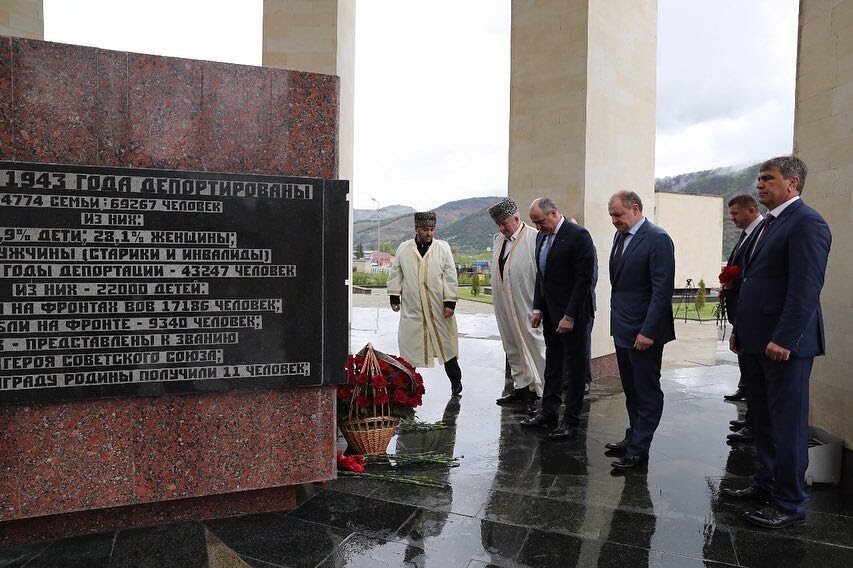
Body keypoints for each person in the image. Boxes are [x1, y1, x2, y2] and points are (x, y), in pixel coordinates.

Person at [725, 156, 831, 529]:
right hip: (756, 341)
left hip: (785, 345)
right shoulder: (767, 225)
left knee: (787, 425)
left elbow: (805, 288)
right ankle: (764, 484)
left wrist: (784, 337)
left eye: (767, 179)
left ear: (793, 183)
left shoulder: (807, 223)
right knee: (763, 421)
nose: (759, 185)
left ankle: (789, 502)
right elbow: (753, 283)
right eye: (758, 179)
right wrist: (741, 330)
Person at [606, 191, 676, 470]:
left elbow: (662, 290)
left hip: (644, 332)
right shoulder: (620, 237)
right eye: (611, 215)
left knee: (646, 391)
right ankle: (633, 435)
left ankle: (639, 449)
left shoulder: (657, 239)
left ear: (635, 209)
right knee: (631, 389)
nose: (614, 221)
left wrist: (648, 331)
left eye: (618, 215)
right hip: (622, 327)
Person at [522, 198, 595, 440]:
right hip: (551, 316)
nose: (538, 226)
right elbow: (542, 277)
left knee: (574, 370)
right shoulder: (542, 237)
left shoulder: (578, 235)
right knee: (552, 366)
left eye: (540, 221)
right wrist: (537, 309)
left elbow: (583, 280)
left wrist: (570, 315)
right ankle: (549, 412)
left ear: (553, 213)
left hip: (572, 317)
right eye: (534, 222)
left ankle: (571, 421)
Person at [388, 212, 463, 396]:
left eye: (431, 230)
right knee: (409, 347)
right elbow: (396, 273)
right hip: (413, 308)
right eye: (425, 230)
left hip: (438, 308)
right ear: (416, 230)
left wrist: (449, 302)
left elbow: (450, 276)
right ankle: (406, 385)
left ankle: (456, 383)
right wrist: (394, 297)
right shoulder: (404, 249)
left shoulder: (442, 248)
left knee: (446, 346)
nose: (429, 233)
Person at [489, 197, 545, 416]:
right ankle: (521, 387)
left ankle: (541, 390)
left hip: (527, 301)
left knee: (535, 344)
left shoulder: (533, 237)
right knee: (511, 344)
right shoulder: (499, 241)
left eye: (505, 223)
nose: (503, 228)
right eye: (499, 225)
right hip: (504, 302)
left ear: (517, 218)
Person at [721, 194, 763, 444]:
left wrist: (735, 278)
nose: (732, 218)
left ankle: (754, 423)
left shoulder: (760, 233)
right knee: (746, 364)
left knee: (754, 371)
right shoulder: (746, 234)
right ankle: (750, 418)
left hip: (752, 312)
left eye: (735, 214)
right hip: (740, 308)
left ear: (750, 210)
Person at [570, 217, 597, 395]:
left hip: (584, 307)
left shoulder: (587, 247)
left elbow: (590, 279)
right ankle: (570, 380)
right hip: (566, 308)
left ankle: (585, 380)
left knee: (583, 346)